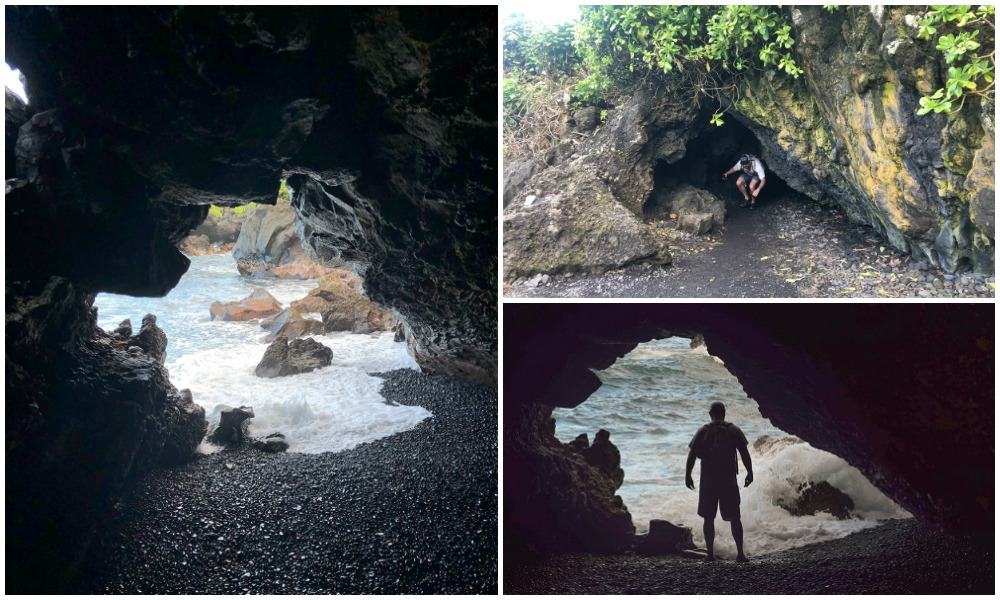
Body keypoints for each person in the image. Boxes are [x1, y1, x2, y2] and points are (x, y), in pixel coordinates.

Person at [685, 401, 753, 562]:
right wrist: (750, 472)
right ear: (724, 413)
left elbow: (692, 454)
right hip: (728, 480)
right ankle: (740, 554)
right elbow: (744, 453)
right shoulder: (734, 430)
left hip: (708, 480)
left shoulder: (703, 431)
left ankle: (710, 554)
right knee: (735, 517)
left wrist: (688, 474)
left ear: (710, 414)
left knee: (708, 518)